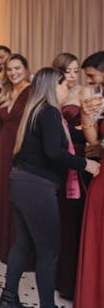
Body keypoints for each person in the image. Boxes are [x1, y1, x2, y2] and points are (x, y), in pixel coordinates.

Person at [0, 67, 100, 308]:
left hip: (20, 182)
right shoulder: (50, 112)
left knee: (23, 243)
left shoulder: (34, 111)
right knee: (49, 253)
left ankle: (8, 298)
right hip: (37, 187)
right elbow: (54, 152)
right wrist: (86, 164)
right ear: (54, 86)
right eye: (66, 86)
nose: (69, 90)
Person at [0, 54, 31, 262]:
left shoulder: (34, 92)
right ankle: (0, 245)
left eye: (17, 68)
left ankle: (19, 247)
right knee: (1, 192)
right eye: (9, 69)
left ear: (26, 69)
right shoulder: (2, 92)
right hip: (2, 147)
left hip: (25, 147)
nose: (13, 73)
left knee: (20, 196)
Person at [51, 53, 90, 300]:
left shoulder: (84, 93)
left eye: (77, 71)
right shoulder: (54, 95)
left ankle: (74, 280)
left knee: (75, 219)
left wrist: (83, 128)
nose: (74, 76)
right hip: (59, 164)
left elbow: (89, 127)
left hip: (80, 160)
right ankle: (60, 276)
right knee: (61, 220)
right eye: (69, 72)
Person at [74, 51, 104, 308]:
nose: (90, 81)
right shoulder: (98, 97)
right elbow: (93, 140)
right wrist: (86, 113)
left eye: (93, 75)